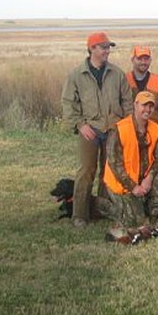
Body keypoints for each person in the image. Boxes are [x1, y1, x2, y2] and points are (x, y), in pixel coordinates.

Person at [61, 32, 133, 227]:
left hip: (113, 129)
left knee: (108, 172)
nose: (107, 51)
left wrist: (125, 128)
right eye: (104, 47)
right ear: (92, 48)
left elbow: (127, 102)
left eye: (109, 47)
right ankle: (80, 215)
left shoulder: (117, 73)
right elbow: (68, 104)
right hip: (90, 130)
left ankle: (101, 209)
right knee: (86, 171)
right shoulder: (77, 75)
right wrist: (80, 125)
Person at [101, 91, 158, 226]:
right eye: (144, 105)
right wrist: (133, 186)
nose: (147, 110)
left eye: (150, 106)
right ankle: (103, 206)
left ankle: (152, 211)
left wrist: (149, 179)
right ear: (135, 105)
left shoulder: (155, 129)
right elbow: (114, 164)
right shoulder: (119, 129)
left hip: (143, 178)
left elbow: (157, 158)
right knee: (135, 222)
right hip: (121, 182)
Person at [125, 45, 158, 129]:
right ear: (132, 60)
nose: (143, 62)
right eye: (139, 59)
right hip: (129, 130)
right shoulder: (124, 80)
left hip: (153, 131)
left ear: (150, 60)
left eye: (146, 59)